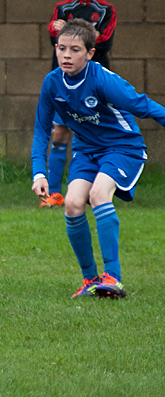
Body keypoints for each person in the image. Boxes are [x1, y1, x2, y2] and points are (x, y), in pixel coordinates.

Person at [31, 19, 165, 300]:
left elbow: (142, 105)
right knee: (72, 203)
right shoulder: (52, 82)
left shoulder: (103, 79)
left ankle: (113, 278)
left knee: (99, 193)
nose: (67, 55)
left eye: (76, 50)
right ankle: (90, 279)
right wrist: (38, 173)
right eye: (62, 48)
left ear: (90, 54)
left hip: (122, 147)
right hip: (86, 150)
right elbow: (43, 129)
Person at [40, 0, 117, 208]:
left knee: (98, 131)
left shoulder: (107, 10)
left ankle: (97, 189)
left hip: (96, 83)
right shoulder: (62, 8)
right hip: (65, 83)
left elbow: (101, 40)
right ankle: (53, 193)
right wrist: (57, 29)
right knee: (59, 132)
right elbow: (56, 35)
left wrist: (73, 30)